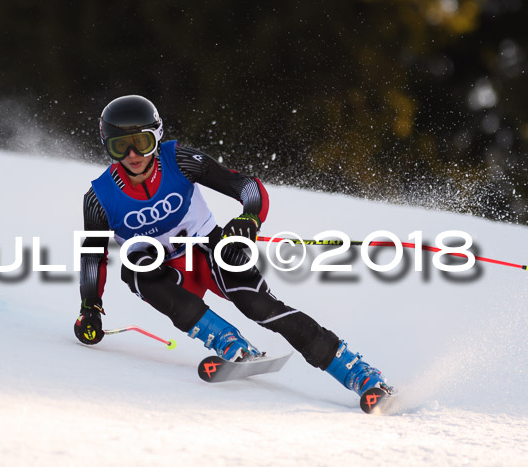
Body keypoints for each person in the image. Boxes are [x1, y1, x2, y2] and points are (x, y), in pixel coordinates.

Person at [74, 95, 393, 399]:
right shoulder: (99, 197)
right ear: (107, 148)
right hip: (164, 274)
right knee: (137, 268)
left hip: (209, 249)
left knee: (261, 307)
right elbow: (93, 255)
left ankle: (357, 373)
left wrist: (249, 219)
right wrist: (90, 307)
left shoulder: (179, 160)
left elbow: (246, 185)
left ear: (156, 137)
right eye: (120, 147)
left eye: (141, 142)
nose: (133, 155)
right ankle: (227, 341)